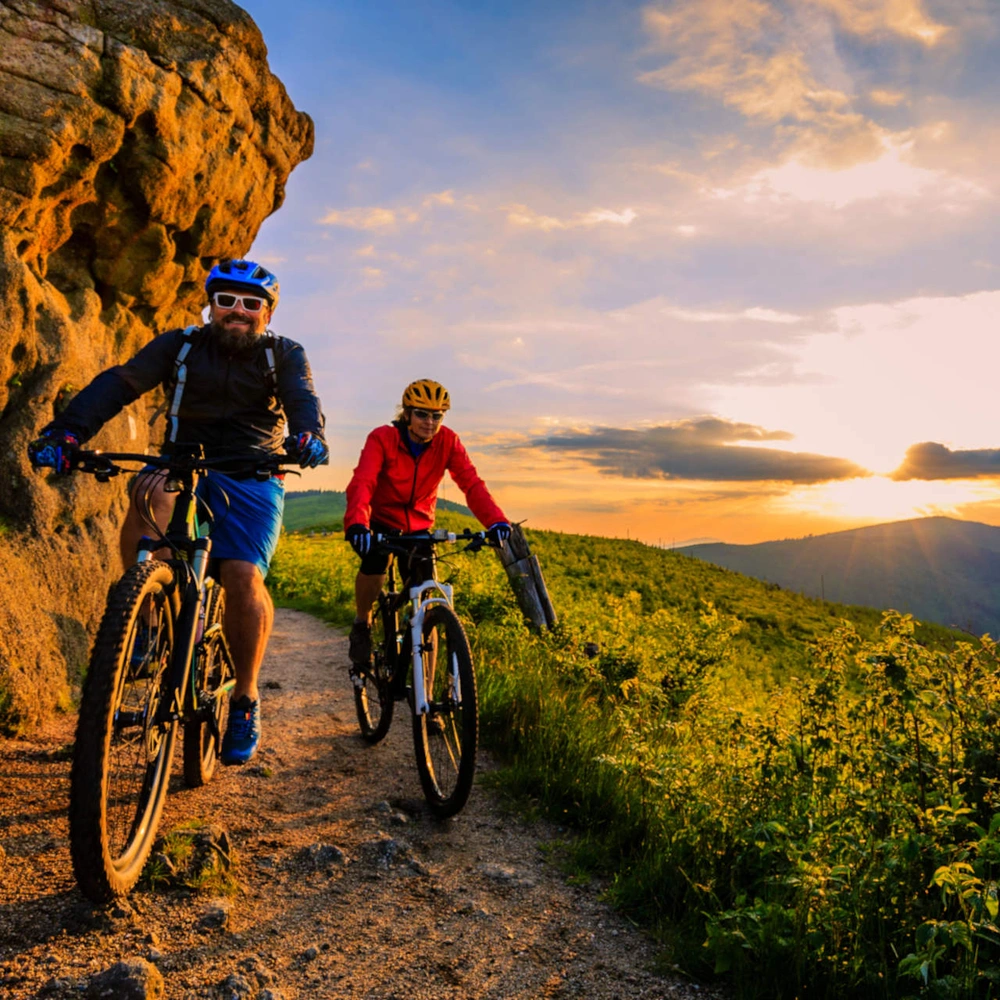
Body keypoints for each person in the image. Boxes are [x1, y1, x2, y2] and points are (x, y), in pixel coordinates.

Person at [27, 259, 328, 765]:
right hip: (184, 461)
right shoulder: (181, 345)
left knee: (241, 578)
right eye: (227, 300)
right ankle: (145, 614)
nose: (238, 311)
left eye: (251, 304)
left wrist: (309, 435)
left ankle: (246, 697)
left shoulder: (284, 354)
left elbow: (301, 397)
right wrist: (67, 431)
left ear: (267, 312)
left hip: (254, 472)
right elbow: (121, 384)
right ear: (209, 305)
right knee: (148, 492)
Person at [343, 378, 511, 666]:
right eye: (421, 413)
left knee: (427, 601)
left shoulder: (448, 442)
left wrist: (496, 521)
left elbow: (471, 484)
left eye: (437, 416)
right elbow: (364, 481)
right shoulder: (382, 438)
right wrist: (358, 523)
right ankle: (362, 622)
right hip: (382, 521)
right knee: (374, 564)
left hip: (420, 527)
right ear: (407, 413)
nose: (429, 422)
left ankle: (429, 703)